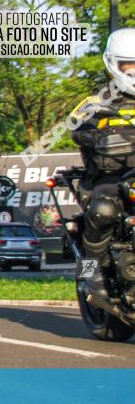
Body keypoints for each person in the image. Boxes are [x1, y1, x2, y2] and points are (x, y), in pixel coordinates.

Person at [71, 28, 135, 301]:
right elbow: (76, 127)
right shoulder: (96, 103)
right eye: (128, 66)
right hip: (109, 176)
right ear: (114, 65)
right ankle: (92, 270)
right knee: (103, 210)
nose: (133, 72)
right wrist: (97, 137)